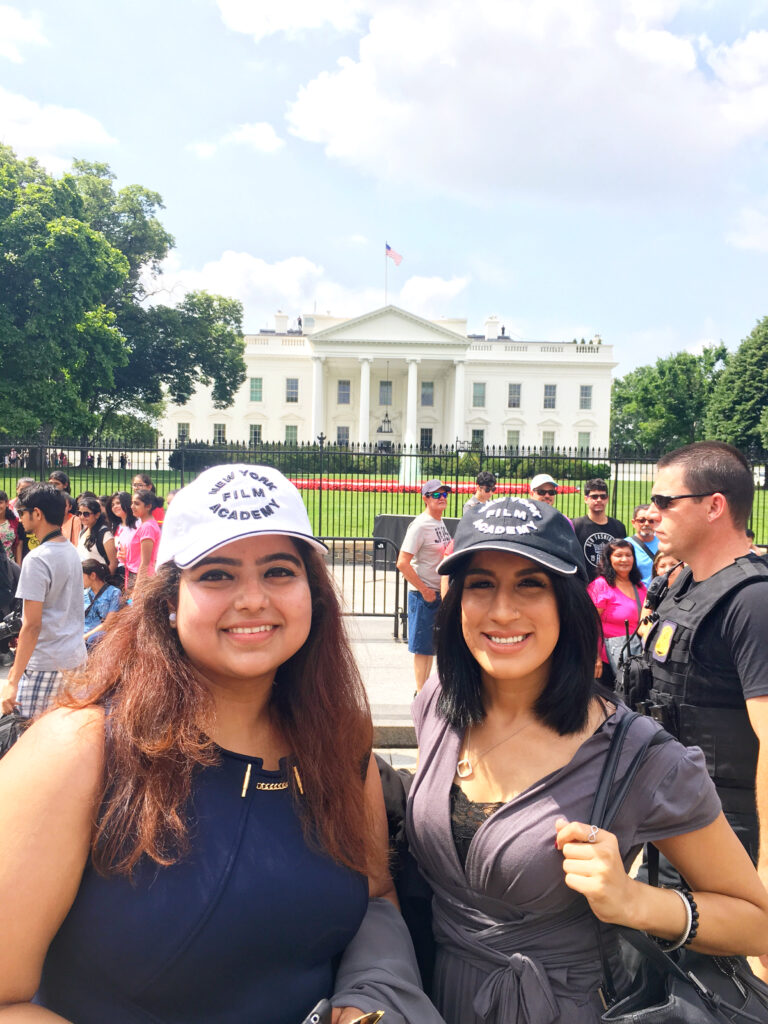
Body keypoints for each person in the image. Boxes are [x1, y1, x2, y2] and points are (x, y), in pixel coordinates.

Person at [0, 465, 440, 1023]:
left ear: (314, 592)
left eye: (280, 571)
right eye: (216, 575)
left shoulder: (337, 738)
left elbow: (375, 896)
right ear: (167, 599)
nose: (253, 599)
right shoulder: (81, 749)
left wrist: (368, 998)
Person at [406, 494, 768, 1024]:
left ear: (567, 602)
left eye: (530, 584)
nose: (502, 610)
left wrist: (635, 901)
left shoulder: (638, 756)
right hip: (432, 996)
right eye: (482, 584)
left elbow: (754, 921)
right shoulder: (440, 704)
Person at [640, 442, 768, 886]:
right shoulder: (683, 583)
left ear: (715, 506)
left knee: (700, 957)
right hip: (670, 810)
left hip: (723, 830)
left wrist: (767, 870)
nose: (652, 513)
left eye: (664, 501)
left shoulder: (752, 600)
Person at [0, 484, 85, 718]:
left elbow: (32, 624)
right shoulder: (70, 550)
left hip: (45, 664)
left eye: (22, 512)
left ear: (37, 514)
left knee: (27, 739)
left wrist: (13, 680)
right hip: (74, 659)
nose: (19, 517)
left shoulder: (37, 559)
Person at [396, 480, 452, 692]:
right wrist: (425, 590)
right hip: (424, 596)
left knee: (431, 648)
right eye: (436, 495)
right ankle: (420, 694)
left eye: (444, 494)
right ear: (425, 499)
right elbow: (402, 562)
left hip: (437, 593)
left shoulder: (438, 522)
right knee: (422, 648)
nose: (442, 498)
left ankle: (425, 691)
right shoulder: (420, 525)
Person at [587, 539, 647, 683]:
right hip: (605, 661)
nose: (624, 559)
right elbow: (589, 624)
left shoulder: (639, 587)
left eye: (628, 555)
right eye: (618, 555)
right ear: (609, 559)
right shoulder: (601, 586)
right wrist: (594, 657)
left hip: (633, 657)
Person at [572, 478, 626, 581]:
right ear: (586, 499)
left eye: (603, 496)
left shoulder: (619, 527)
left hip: (611, 583)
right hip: (584, 583)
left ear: (607, 498)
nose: (599, 500)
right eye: (594, 496)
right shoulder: (576, 525)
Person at [124, 489, 162, 588]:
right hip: (136, 575)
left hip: (141, 578)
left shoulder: (147, 527)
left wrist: (137, 587)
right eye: (132, 503)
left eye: (136, 504)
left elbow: (145, 562)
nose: (132, 507)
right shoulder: (145, 525)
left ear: (148, 506)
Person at [81, 559, 121, 649]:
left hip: (98, 634)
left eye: (81, 576)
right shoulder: (83, 594)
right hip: (82, 632)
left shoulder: (114, 593)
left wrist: (84, 637)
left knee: (94, 639)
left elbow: (108, 624)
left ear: (93, 575)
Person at [77, 496, 118, 580]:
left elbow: (113, 563)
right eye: (79, 513)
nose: (82, 517)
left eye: (86, 514)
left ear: (97, 515)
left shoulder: (105, 534)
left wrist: (103, 585)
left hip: (99, 583)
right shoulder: (82, 532)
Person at [108, 490, 138, 590]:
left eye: (118, 503)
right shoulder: (117, 526)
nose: (115, 507)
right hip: (121, 570)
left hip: (135, 571)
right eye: (112, 504)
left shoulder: (138, 524)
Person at [625, 504, 659, 587]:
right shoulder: (625, 545)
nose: (646, 524)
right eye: (642, 520)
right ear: (633, 523)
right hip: (636, 595)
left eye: (651, 520)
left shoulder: (664, 543)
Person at [0, 489, 24, 566]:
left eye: (0, 503)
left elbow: (18, 546)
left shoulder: (15, 523)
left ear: (7, 503)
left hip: (8, 567)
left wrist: (18, 566)